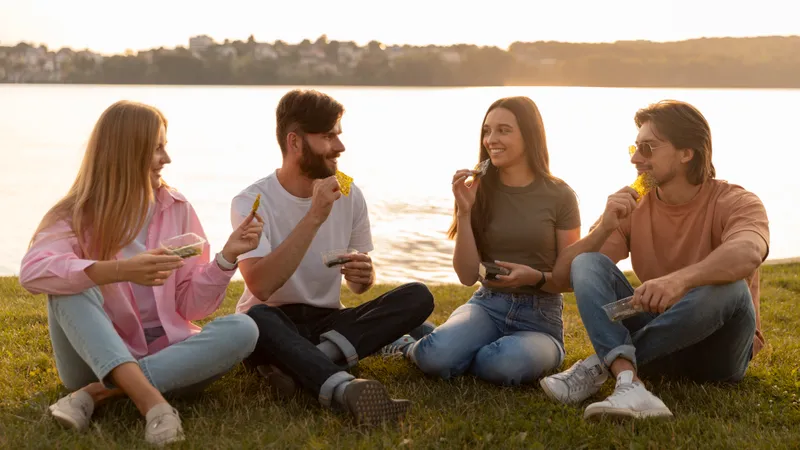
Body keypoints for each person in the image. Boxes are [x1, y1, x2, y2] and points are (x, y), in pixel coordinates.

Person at [20, 100, 263, 445]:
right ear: (126, 152)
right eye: (157, 148)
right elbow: (33, 271)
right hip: (93, 356)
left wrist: (227, 258)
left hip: (166, 351)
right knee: (68, 284)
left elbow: (191, 306)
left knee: (244, 327)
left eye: (166, 146)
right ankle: (154, 405)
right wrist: (120, 270)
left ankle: (96, 394)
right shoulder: (74, 215)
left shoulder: (177, 207)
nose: (167, 158)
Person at [540, 100, 769, 421]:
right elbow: (564, 278)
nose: (635, 158)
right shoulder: (634, 206)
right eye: (635, 147)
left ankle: (600, 364)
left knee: (729, 287)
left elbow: (748, 252)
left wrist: (681, 281)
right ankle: (627, 379)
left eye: (647, 148)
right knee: (586, 262)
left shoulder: (736, 201)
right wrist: (604, 227)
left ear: (686, 152)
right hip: (661, 334)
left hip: (718, 352)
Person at [230, 89, 435, 426]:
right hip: (274, 325)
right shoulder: (252, 200)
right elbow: (261, 286)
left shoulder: (348, 189)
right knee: (256, 318)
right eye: (328, 136)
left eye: (338, 134)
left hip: (328, 322)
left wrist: (363, 276)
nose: (340, 146)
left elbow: (358, 289)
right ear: (295, 142)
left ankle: (304, 366)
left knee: (418, 296)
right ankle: (341, 384)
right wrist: (314, 216)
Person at [381, 96, 582, 386]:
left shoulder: (560, 195)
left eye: (503, 130)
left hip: (540, 319)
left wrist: (535, 277)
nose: (491, 139)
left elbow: (568, 279)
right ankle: (408, 345)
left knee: (501, 365)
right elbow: (465, 275)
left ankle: (454, 343)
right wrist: (464, 211)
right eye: (487, 131)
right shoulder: (477, 190)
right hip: (488, 306)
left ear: (529, 134)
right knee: (435, 357)